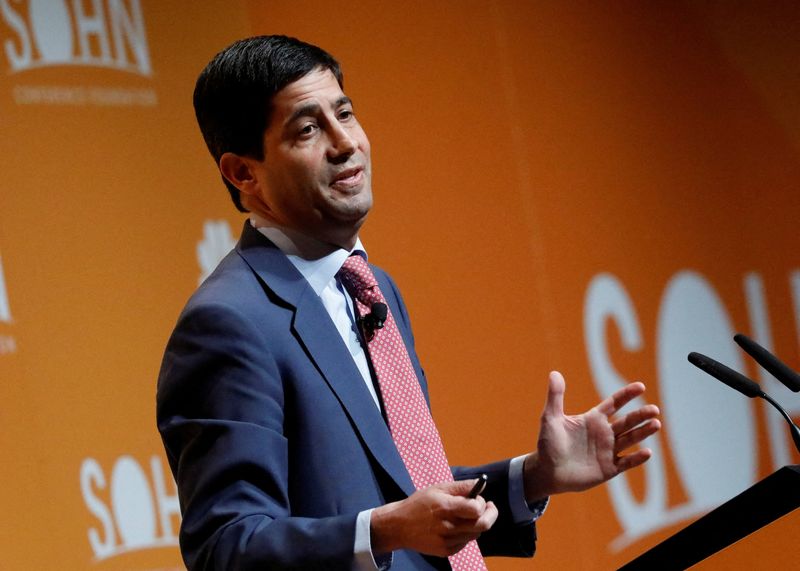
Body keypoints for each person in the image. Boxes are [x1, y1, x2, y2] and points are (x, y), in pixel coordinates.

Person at [156, 35, 661, 570]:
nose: (344, 142)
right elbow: (226, 549)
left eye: (345, 114)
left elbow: (403, 486)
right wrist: (386, 529)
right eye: (308, 129)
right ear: (243, 173)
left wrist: (533, 476)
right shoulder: (230, 323)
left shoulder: (372, 286)